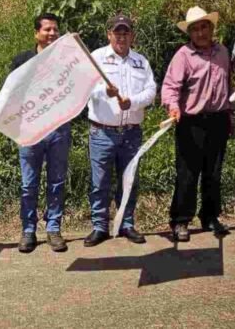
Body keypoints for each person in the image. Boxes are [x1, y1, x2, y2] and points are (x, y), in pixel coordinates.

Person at [161, 6, 234, 242]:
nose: (200, 32)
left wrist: (230, 116)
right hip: (190, 121)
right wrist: (172, 106)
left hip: (218, 120)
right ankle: (180, 221)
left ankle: (210, 217)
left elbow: (229, 86)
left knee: (214, 173)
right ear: (189, 33)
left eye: (204, 27)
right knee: (187, 174)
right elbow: (171, 87)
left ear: (211, 28)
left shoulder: (223, 52)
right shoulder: (183, 55)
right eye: (195, 29)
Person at [84, 14, 157, 247]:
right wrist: (104, 92)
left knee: (129, 180)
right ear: (109, 35)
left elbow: (151, 92)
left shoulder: (141, 62)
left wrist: (133, 102)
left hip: (131, 132)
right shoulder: (96, 58)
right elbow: (85, 91)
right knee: (100, 182)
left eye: (126, 32)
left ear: (132, 35)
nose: (121, 37)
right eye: (117, 32)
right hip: (102, 132)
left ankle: (126, 223)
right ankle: (99, 226)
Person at [10, 13, 72, 253]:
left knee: (56, 181)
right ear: (36, 33)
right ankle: (28, 230)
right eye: (47, 29)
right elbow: (12, 95)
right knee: (29, 184)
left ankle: (54, 228)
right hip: (30, 130)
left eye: (56, 29)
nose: (52, 33)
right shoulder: (22, 61)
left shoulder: (67, 61)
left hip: (58, 129)